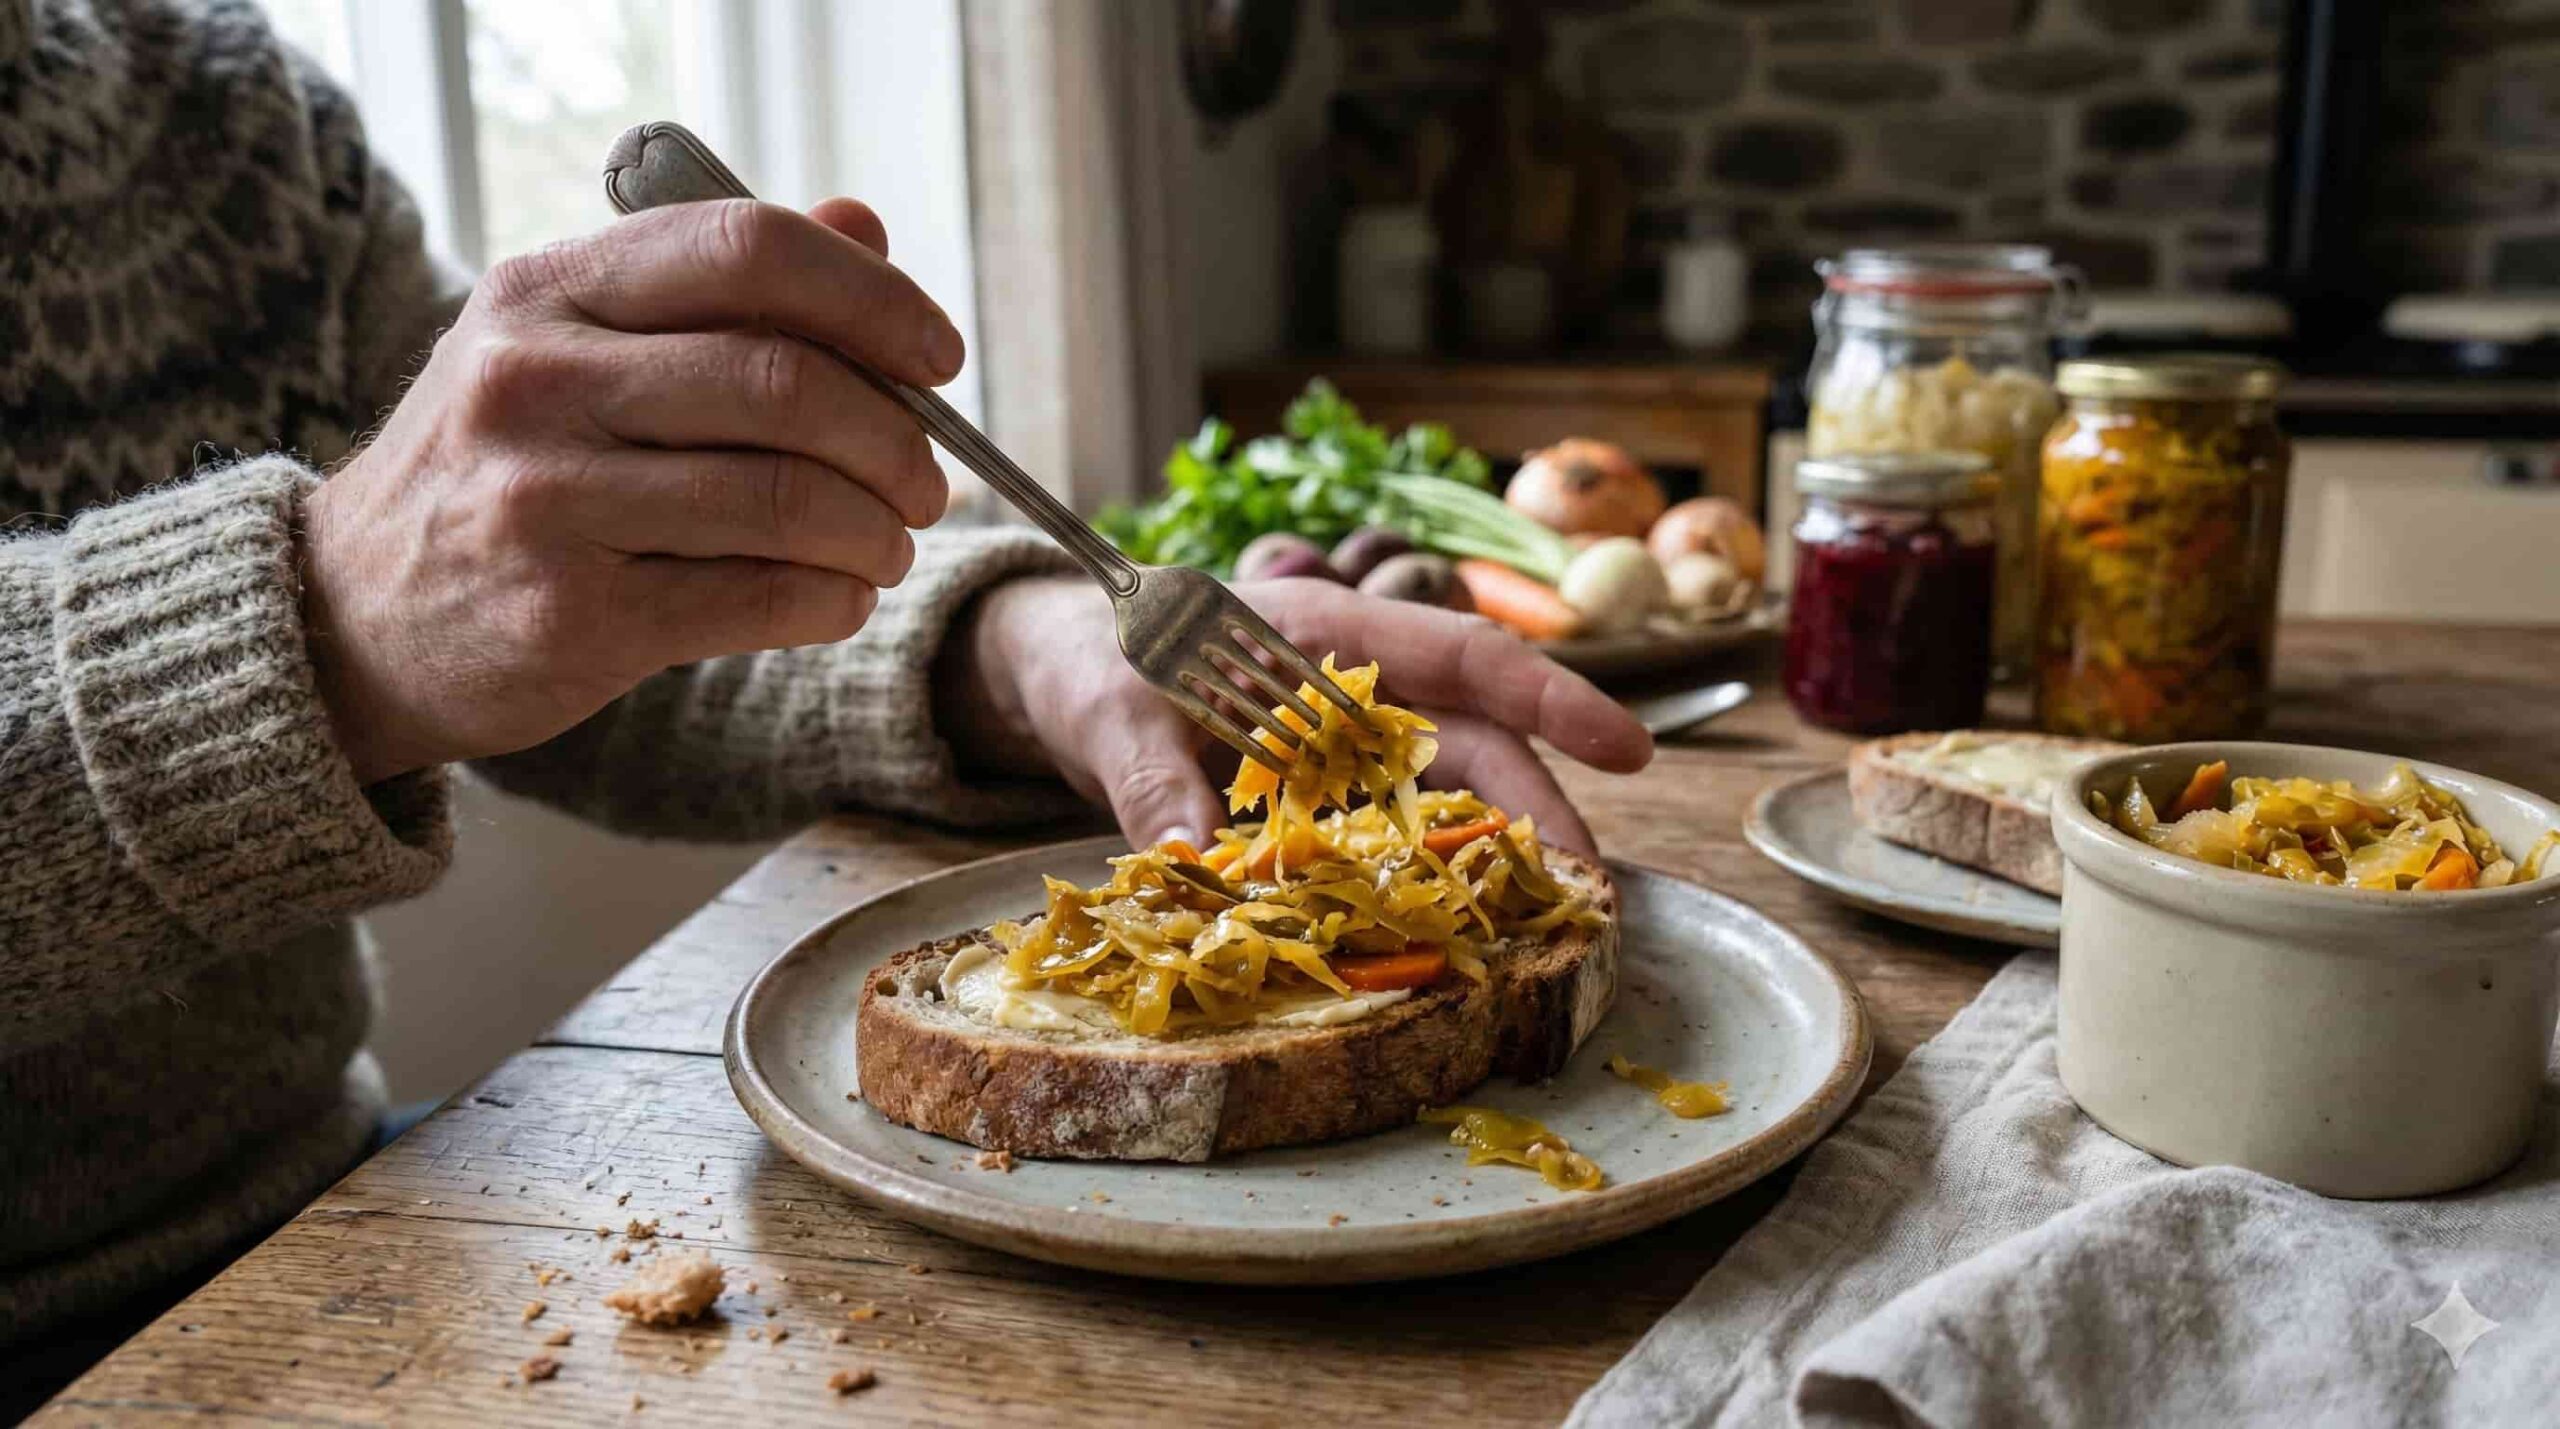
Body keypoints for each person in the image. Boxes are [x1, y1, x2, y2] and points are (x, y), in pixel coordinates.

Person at [0, 0, 1652, 1395]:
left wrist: (1010, 648)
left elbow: (555, 642)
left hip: (330, 1203)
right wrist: (317, 622)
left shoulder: (222, 109)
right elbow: (388, 612)